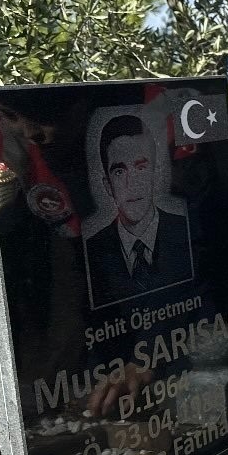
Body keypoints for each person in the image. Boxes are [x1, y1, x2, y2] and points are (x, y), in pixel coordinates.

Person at [83, 113, 193, 309]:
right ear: (108, 185)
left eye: (141, 168)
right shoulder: (91, 252)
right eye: (119, 171)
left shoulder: (186, 232)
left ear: (155, 174)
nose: (132, 184)